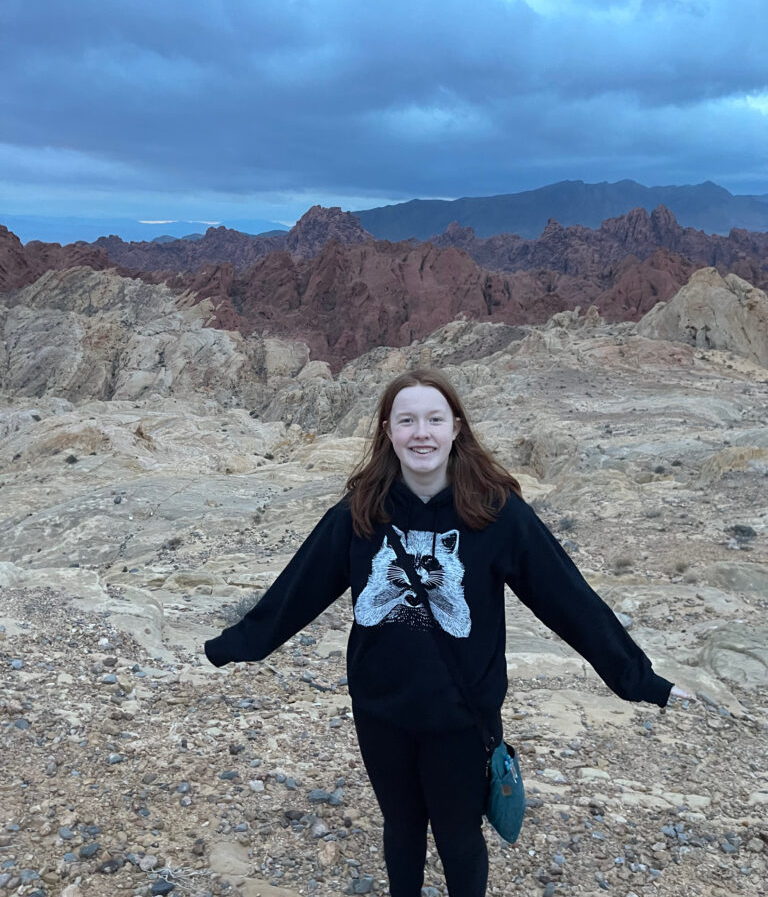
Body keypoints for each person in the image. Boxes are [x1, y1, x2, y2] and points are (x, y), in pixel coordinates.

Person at [205, 368, 690, 897]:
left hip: (461, 718)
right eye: (407, 420)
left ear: (455, 427)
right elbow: (296, 591)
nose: (421, 433)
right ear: (387, 431)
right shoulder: (361, 513)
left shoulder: (496, 515)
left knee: (459, 835)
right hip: (381, 713)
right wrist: (234, 645)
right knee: (401, 828)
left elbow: (570, 601)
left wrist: (641, 679)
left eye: (434, 419)